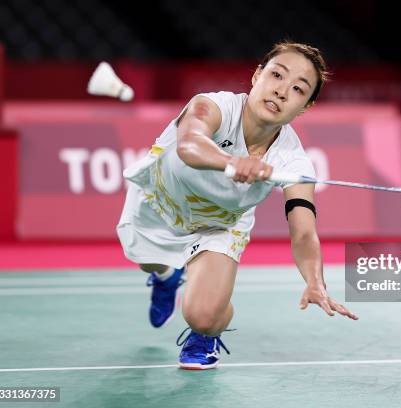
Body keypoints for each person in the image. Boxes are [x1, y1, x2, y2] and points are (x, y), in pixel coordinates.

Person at [117, 41, 358, 370]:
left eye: (299, 89)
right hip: (159, 203)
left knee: (202, 315)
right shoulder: (211, 106)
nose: (282, 91)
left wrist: (314, 281)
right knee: (149, 262)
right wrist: (232, 162)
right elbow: (190, 145)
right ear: (257, 75)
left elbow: (303, 232)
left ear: (304, 107)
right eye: (276, 75)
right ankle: (165, 276)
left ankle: (205, 335)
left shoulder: (293, 161)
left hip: (220, 223)